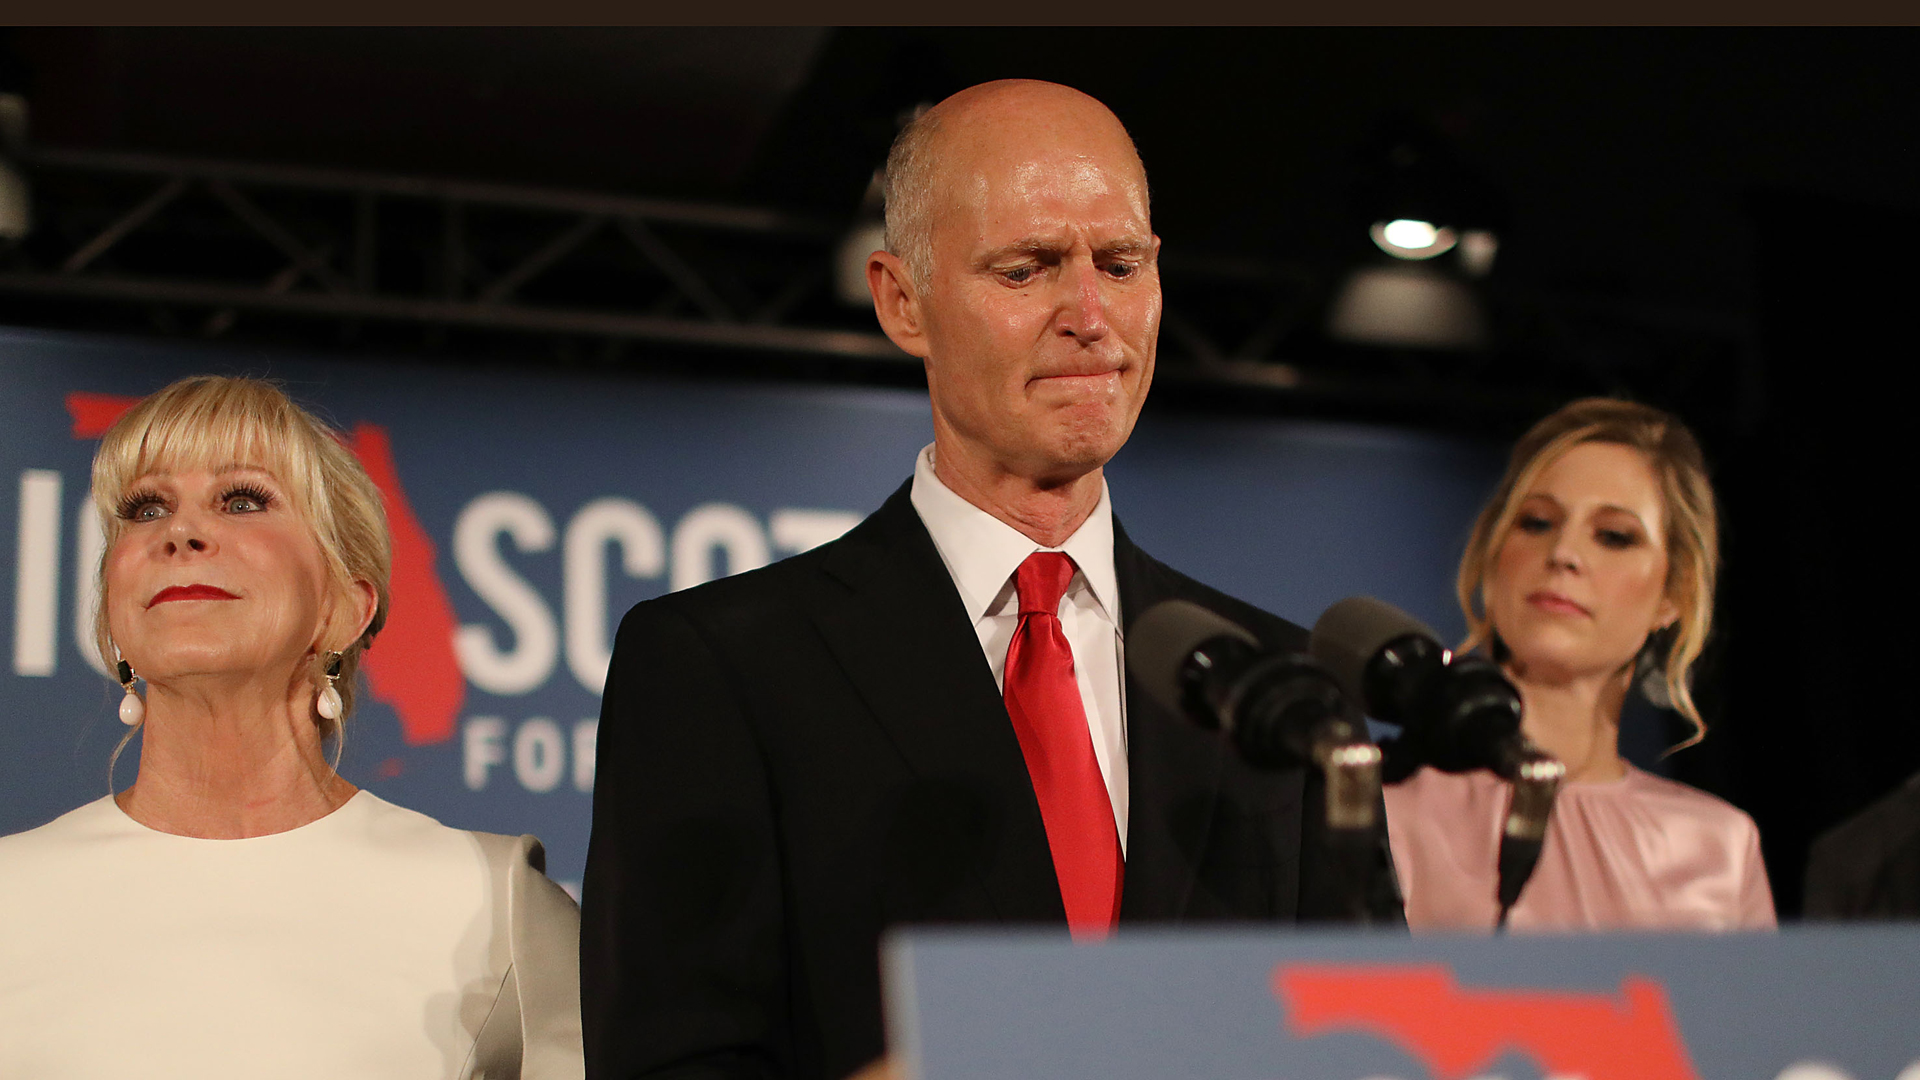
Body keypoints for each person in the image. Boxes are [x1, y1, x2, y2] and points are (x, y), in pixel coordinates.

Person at [581, 79, 1394, 1080]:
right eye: (1027, 269)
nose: (1091, 316)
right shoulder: (724, 666)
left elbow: (1367, 1046)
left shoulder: (1281, 689)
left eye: (1122, 263)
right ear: (901, 301)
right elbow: (670, 1059)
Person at [0, 376, 584, 1078]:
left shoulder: (496, 901)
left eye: (242, 500)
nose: (180, 532)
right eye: (145, 508)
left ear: (344, 607)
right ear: (112, 616)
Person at [1383, 397, 1775, 931]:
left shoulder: (1721, 849)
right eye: (1537, 522)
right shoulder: (1389, 809)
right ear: (1494, 558)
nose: (1563, 553)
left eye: (1614, 536)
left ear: (1673, 595)